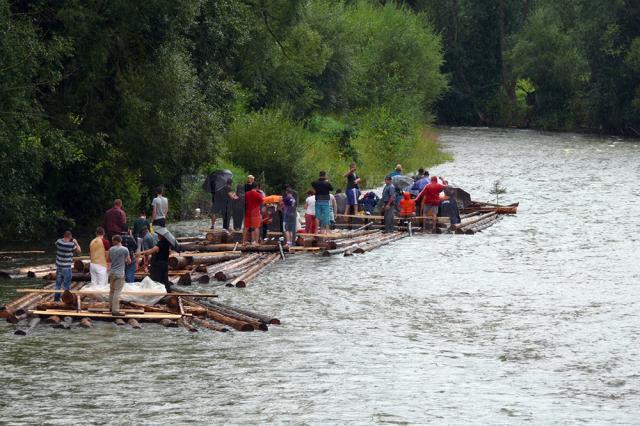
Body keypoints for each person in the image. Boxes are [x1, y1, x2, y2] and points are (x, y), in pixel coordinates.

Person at [54, 231, 81, 302]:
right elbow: (79, 251)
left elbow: (56, 244)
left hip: (59, 266)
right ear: (70, 237)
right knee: (66, 284)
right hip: (67, 267)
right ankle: (66, 299)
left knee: (58, 284)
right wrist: (76, 242)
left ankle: (56, 299)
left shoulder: (59, 242)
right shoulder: (71, 244)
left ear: (64, 235)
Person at [107, 234, 130, 316]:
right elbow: (129, 261)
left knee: (112, 291)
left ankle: (110, 307)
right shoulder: (125, 249)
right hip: (120, 273)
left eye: (113, 241)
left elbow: (109, 260)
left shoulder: (111, 249)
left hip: (112, 272)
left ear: (115, 241)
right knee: (117, 292)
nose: (112, 242)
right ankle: (115, 310)